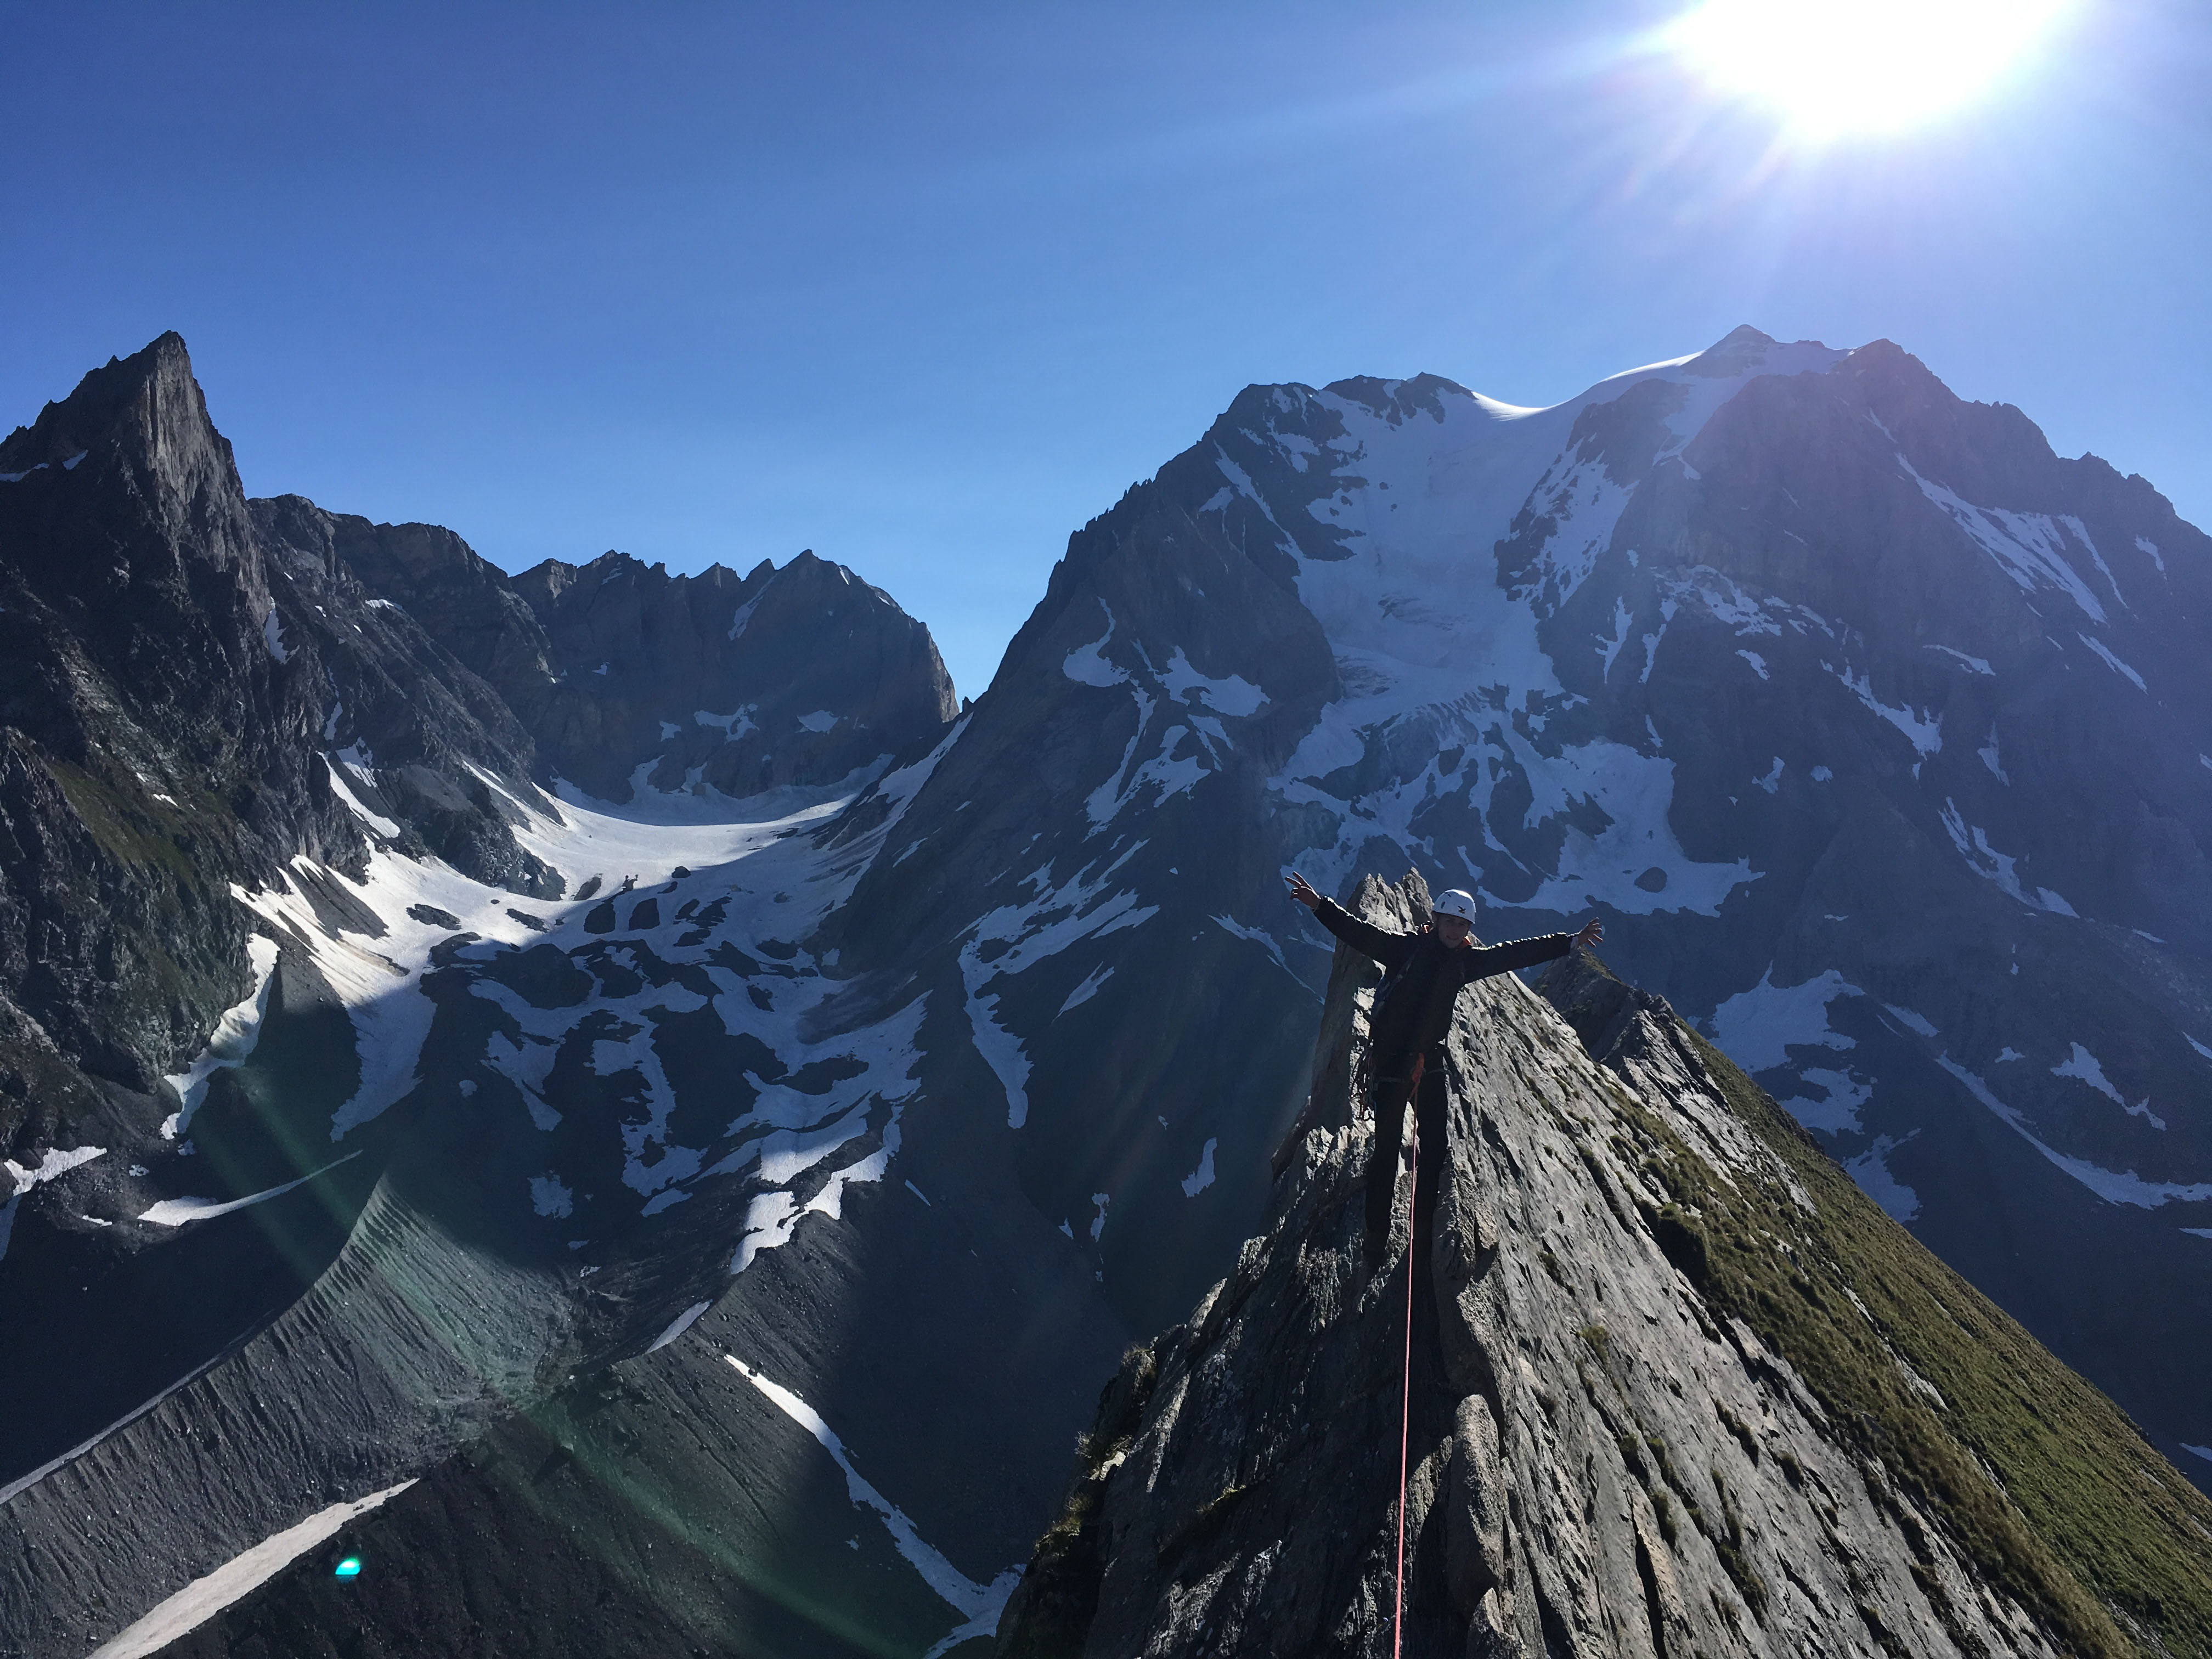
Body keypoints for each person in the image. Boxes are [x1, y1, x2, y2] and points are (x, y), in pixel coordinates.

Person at [1285, 871, 1602, 1269]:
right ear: (1435, 920)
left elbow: (1515, 953)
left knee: (1435, 1149)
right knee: (1384, 1154)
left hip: (1427, 1062)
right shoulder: (1406, 949)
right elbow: (1360, 934)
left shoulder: (1466, 963)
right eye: (1449, 921)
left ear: (1468, 929)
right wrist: (1320, 906)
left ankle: (1420, 1236)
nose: (1454, 930)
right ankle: (1376, 1240)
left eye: (1462, 924)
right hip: (1391, 1062)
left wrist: (1570, 942)